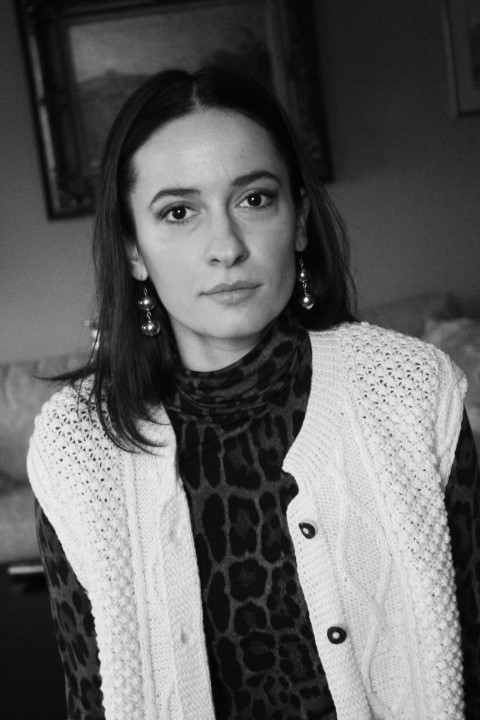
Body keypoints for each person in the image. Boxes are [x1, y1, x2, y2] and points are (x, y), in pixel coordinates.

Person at [27, 66, 479, 720]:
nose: (226, 247)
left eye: (255, 199)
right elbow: (89, 693)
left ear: (299, 220)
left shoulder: (410, 391)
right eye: (178, 212)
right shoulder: (78, 444)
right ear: (133, 250)